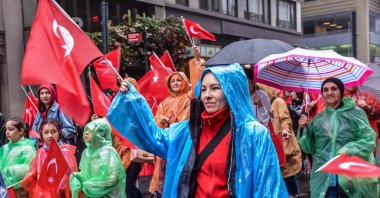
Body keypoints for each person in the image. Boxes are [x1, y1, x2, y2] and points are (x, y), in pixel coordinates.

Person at [109, 63, 288, 197]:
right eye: (203, 89)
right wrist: (132, 100)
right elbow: (153, 137)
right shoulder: (185, 133)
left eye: (215, 88)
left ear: (231, 92)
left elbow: (268, 189)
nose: (207, 95)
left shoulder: (254, 135)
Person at [298, 77, 379, 198]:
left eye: (333, 89)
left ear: (341, 92)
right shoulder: (318, 119)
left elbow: (369, 140)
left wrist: (349, 149)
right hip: (325, 178)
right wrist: (304, 129)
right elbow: (308, 148)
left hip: (351, 178)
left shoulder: (356, 113)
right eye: (325, 90)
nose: (329, 92)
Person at [69, 118, 126, 198]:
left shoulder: (108, 152)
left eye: (91, 130)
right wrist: (77, 177)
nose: (86, 133)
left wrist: (90, 185)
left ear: (101, 134)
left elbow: (113, 178)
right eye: (86, 130)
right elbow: (85, 174)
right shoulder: (86, 152)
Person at [22, 118, 78, 197]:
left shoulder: (66, 152)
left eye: (54, 132)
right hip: (42, 193)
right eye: (46, 132)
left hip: (60, 194)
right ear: (41, 134)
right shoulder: (40, 152)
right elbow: (33, 172)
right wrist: (26, 179)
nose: (50, 135)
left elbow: (71, 177)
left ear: (59, 133)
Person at [0, 117, 36, 196]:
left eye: (11, 129)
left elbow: (29, 168)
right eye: (6, 129)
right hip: (4, 187)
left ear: (21, 131)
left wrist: (7, 171)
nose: (7, 132)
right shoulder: (4, 148)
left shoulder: (28, 148)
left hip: (20, 189)